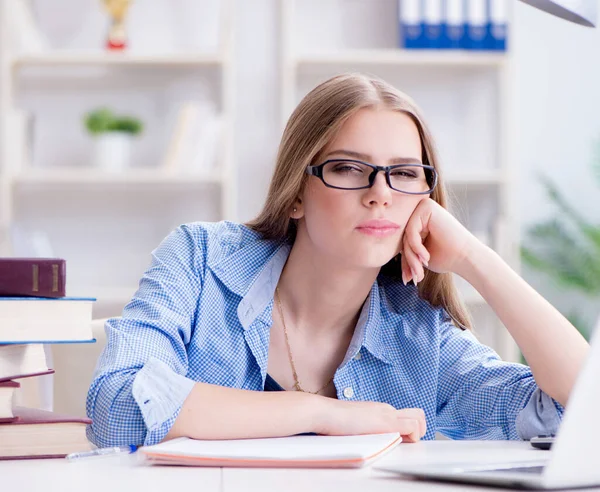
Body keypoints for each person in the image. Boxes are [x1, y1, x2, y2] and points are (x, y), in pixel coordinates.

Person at [86, 73, 588, 448]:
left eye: (405, 173)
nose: (380, 195)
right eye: (349, 168)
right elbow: (118, 405)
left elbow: (578, 413)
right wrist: (323, 414)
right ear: (296, 193)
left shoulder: (419, 337)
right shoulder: (200, 260)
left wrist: (476, 258)